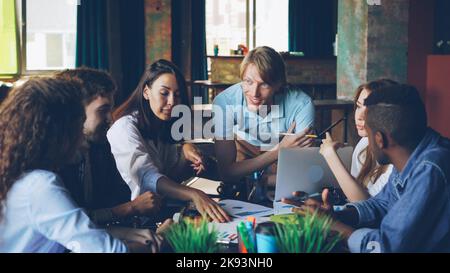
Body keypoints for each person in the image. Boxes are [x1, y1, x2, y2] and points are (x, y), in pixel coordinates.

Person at [0, 78, 161, 253]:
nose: (81, 134)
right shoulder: (40, 184)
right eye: (78, 125)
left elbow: (75, 231)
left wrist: (129, 233)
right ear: (60, 133)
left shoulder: (21, 174)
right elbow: (111, 251)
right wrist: (163, 239)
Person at [287, 84, 450, 253]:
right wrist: (337, 216)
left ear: (380, 139)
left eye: (369, 133)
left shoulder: (429, 170)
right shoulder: (411, 152)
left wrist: (332, 226)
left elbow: (387, 248)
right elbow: (383, 204)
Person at [107, 59, 231, 223]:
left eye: (177, 95)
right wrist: (194, 194)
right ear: (146, 92)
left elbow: (169, 176)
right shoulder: (125, 128)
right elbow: (148, 177)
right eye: (164, 93)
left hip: (159, 214)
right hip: (128, 222)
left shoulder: (163, 125)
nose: (172, 101)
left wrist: (187, 160)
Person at [55, 68, 162, 226]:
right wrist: (130, 208)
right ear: (75, 111)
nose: (110, 119)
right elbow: (71, 224)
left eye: (110, 109)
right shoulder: (54, 161)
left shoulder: (100, 147)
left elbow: (118, 197)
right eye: (103, 110)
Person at [213, 46, 315, 186]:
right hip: (246, 147)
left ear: (279, 85)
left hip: (282, 156)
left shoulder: (301, 104)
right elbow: (227, 173)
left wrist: (256, 180)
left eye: (264, 84)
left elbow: (302, 174)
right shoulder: (225, 101)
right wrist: (280, 149)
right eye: (248, 81)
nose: (254, 93)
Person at [318, 79, 397, 202]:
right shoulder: (364, 144)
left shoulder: (397, 162)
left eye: (368, 110)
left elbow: (365, 205)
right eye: (358, 107)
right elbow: (353, 195)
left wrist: (330, 155)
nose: (359, 116)